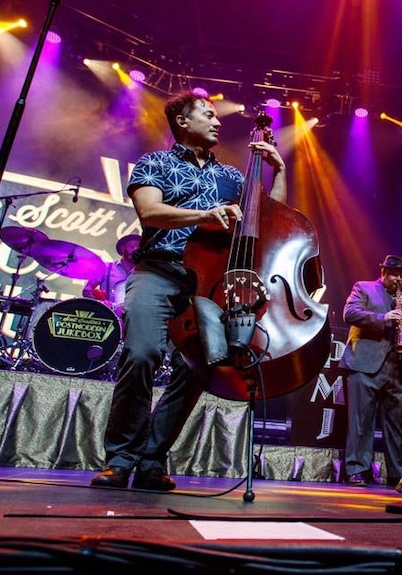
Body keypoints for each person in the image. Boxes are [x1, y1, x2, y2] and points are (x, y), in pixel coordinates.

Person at [89, 90, 287, 491]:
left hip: (206, 285)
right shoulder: (155, 163)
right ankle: (121, 457)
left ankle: (151, 460)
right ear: (182, 121)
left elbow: (268, 221)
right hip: (159, 272)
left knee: (196, 368)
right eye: (208, 115)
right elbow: (149, 211)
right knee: (141, 353)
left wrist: (278, 172)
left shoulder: (232, 177)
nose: (217, 122)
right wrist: (204, 214)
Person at [340, 255, 402, 487]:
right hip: (365, 365)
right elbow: (350, 314)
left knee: (396, 425)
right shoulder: (364, 288)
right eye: (394, 274)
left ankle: (396, 473)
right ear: (383, 273)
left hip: (396, 368)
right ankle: (357, 470)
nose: (398, 279)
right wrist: (382, 317)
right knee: (361, 422)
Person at [82, 234, 141, 312]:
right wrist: (101, 302)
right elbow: (87, 290)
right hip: (108, 314)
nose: (136, 249)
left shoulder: (142, 272)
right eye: (132, 247)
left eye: (138, 248)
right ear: (123, 249)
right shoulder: (105, 268)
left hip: (132, 317)